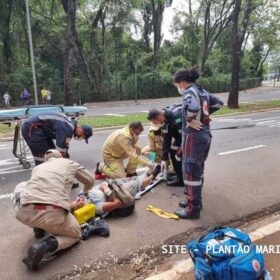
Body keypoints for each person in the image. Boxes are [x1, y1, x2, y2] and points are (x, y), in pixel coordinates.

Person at [11, 149, 95, 270]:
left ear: (46, 160)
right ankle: (45, 245)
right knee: (76, 234)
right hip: (52, 214)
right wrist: (84, 193)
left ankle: (38, 228)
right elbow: (90, 180)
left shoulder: (38, 168)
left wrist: (72, 205)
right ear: (60, 157)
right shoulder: (68, 163)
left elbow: (40, 195)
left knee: (22, 186)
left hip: (24, 212)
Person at [173, 66, 223, 219]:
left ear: (182, 82)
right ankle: (195, 201)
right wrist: (203, 116)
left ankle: (193, 209)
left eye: (176, 85)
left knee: (190, 172)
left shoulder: (189, 92)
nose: (177, 88)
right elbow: (219, 103)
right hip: (205, 135)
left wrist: (190, 118)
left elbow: (193, 108)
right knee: (198, 170)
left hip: (194, 137)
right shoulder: (202, 91)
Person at [73, 165, 161, 216]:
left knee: (129, 179)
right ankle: (151, 176)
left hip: (110, 185)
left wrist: (81, 196)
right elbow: (117, 203)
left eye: (77, 200)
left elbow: (82, 192)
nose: (80, 199)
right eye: (79, 203)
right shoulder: (96, 208)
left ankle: (146, 174)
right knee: (135, 184)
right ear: (81, 209)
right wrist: (106, 190)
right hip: (116, 192)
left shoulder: (82, 197)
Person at [21, 112, 93, 165]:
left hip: (40, 129)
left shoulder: (69, 124)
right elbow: (61, 150)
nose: (79, 137)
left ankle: (52, 179)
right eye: (82, 136)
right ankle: (43, 181)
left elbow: (62, 147)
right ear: (81, 130)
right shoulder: (68, 128)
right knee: (43, 158)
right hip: (32, 128)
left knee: (51, 153)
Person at [147, 105, 187, 186]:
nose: (157, 125)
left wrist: (180, 151)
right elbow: (166, 141)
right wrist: (163, 159)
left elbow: (184, 136)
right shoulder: (164, 123)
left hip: (188, 137)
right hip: (178, 139)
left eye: (156, 123)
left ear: (158, 117)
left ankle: (185, 180)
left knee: (180, 157)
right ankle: (180, 177)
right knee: (173, 152)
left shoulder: (176, 116)